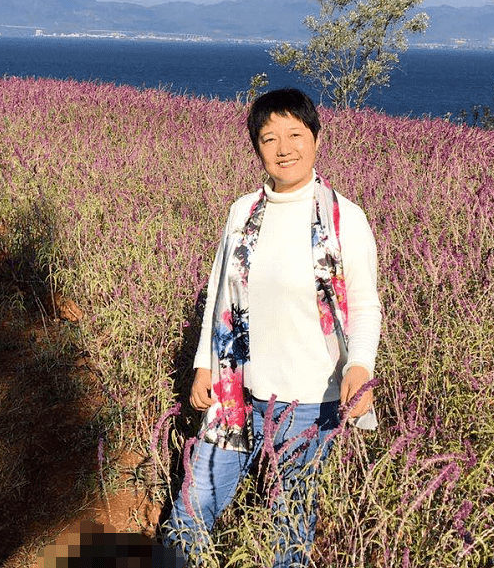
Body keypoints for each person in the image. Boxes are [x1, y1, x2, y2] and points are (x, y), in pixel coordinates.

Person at [162, 87, 382, 567]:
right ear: (256, 148)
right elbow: (221, 301)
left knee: (289, 528)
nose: (284, 148)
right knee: (191, 510)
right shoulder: (243, 213)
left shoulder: (346, 218)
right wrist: (204, 367)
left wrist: (360, 366)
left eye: (295, 134)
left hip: (311, 404)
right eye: (269, 138)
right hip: (237, 392)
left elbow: (365, 305)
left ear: (316, 139)